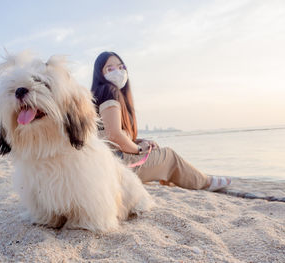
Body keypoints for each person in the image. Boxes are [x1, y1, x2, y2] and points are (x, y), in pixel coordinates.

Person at [91, 51, 231, 191]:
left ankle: (180, 178)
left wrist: (138, 142)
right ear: (100, 74)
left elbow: (107, 134)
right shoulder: (109, 90)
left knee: (159, 154)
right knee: (169, 156)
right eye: (110, 69)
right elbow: (114, 135)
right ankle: (206, 182)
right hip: (118, 166)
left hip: (108, 164)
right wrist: (139, 149)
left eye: (121, 67)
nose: (118, 72)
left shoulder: (99, 94)